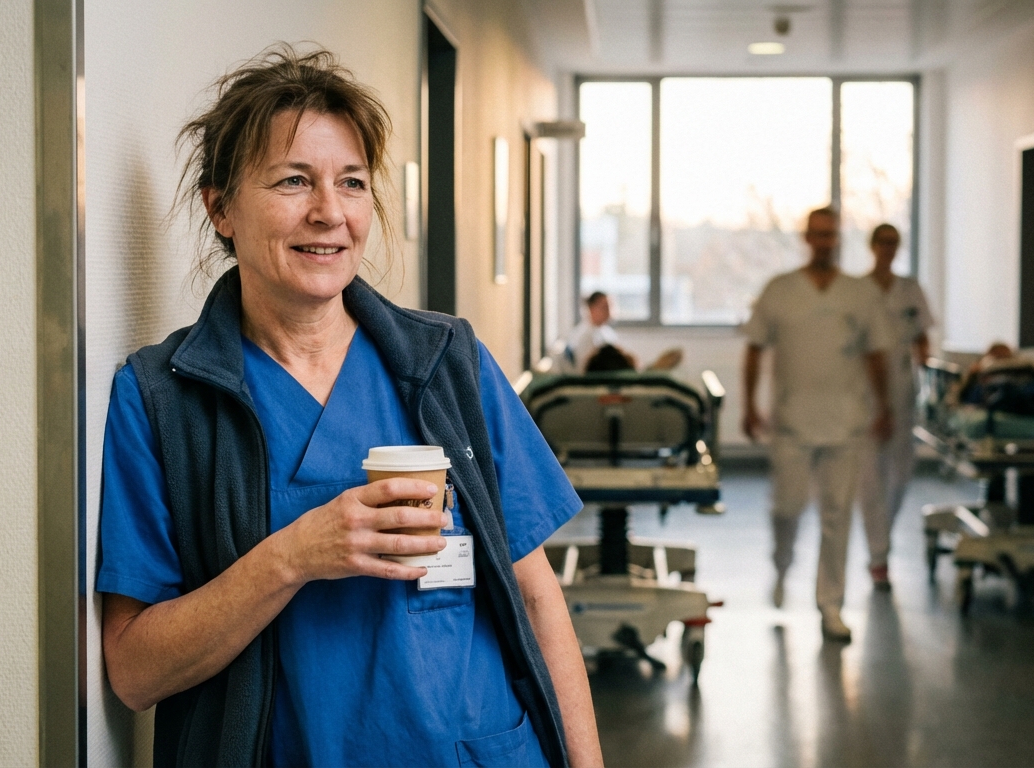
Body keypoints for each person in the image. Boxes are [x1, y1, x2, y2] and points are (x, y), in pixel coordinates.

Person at [96, 46, 602, 768]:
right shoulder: (162, 399)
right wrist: (294, 556)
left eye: (352, 183)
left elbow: (537, 597)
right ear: (221, 208)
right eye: (293, 180)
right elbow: (134, 671)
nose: (329, 212)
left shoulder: (446, 363)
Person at [741, 207, 893, 642]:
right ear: (806, 238)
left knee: (837, 516)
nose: (824, 242)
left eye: (831, 235)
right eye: (817, 234)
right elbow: (754, 349)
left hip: (846, 423)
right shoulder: (780, 290)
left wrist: (885, 407)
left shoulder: (859, 294)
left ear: (838, 239)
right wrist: (749, 406)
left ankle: (831, 605)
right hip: (792, 422)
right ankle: (781, 565)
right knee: (787, 508)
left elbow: (876, 355)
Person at [859, 224, 933, 590]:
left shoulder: (910, 289)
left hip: (903, 388)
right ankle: (878, 557)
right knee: (871, 477)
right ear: (872, 246)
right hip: (864, 392)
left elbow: (922, 337)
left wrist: (933, 383)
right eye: (883, 242)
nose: (888, 249)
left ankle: (882, 538)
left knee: (900, 475)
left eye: (894, 243)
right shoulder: (858, 291)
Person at [560, 291, 682, 373]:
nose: (609, 311)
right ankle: (649, 371)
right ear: (591, 309)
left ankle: (649, 370)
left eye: (610, 306)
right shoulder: (585, 336)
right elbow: (587, 370)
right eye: (605, 307)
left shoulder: (606, 332)